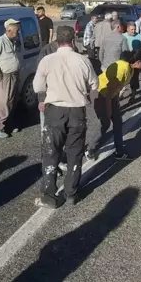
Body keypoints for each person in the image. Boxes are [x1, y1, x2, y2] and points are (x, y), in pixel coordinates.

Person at [33, 26, 99, 208]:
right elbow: (94, 84)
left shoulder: (47, 60)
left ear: (56, 40)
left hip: (54, 111)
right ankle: (71, 193)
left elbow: (38, 86)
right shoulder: (83, 60)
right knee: (74, 153)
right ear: (73, 40)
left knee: (50, 152)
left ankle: (49, 195)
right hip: (77, 110)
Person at [86, 49, 141, 162]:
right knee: (105, 123)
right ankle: (90, 149)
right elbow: (109, 90)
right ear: (138, 61)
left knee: (118, 122)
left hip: (111, 95)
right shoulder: (123, 68)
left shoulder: (130, 69)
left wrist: (116, 102)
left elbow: (117, 87)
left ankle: (119, 151)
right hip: (101, 93)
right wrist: (109, 109)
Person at [124, 22, 141, 97]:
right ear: (127, 29)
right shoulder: (123, 36)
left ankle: (133, 94)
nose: (133, 31)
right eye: (131, 29)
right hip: (126, 58)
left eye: (134, 29)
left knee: (134, 77)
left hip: (136, 58)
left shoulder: (139, 36)